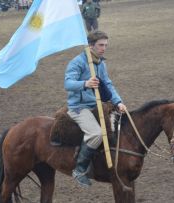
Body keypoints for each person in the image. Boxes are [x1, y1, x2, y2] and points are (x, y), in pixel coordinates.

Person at [64, 30, 127, 188]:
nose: (104, 48)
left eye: (106, 45)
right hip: (79, 107)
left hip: (96, 104)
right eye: (100, 45)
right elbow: (68, 84)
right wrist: (85, 83)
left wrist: (118, 102)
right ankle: (79, 169)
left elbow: (108, 84)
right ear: (91, 46)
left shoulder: (100, 63)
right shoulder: (77, 62)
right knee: (96, 133)